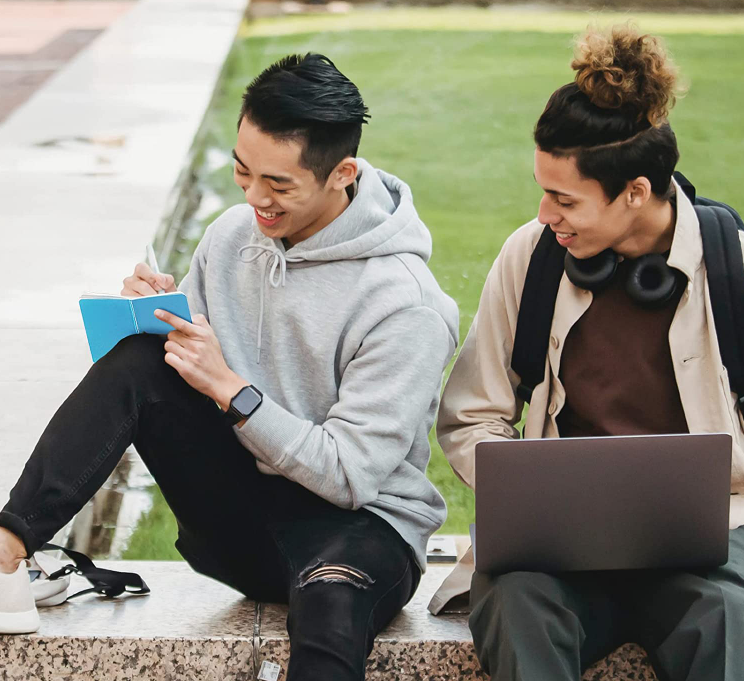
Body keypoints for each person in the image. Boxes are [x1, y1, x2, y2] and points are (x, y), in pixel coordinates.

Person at [0, 53, 459, 681]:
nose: (253, 198)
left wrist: (232, 390)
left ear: (341, 173)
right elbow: (173, 374)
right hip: (241, 523)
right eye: (243, 172)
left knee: (330, 603)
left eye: (278, 185)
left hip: (359, 537)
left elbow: (351, 476)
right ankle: (8, 547)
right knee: (139, 361)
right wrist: (160, 317)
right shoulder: (231, 237)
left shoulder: (406, 304)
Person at [433, 24, 744, 681]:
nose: (546, 213)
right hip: (558, 555)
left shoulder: (734, 265)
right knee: (513, 602)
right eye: (544, 190)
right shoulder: (533, 256)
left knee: (724, 618)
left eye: (565, 198)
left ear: (635, 191)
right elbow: (473, 415)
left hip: (711, 550)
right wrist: (523, 492)